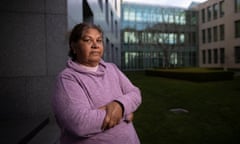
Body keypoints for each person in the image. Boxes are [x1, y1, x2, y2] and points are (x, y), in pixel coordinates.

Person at [52, 23, 142, 144]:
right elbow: (80, 124)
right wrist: (125, 112)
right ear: (74, 46)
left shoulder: (112, 68)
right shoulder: (68, 78)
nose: (95, 45)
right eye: (88, 40)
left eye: (99, 40)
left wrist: (120, 105)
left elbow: (135, 93)